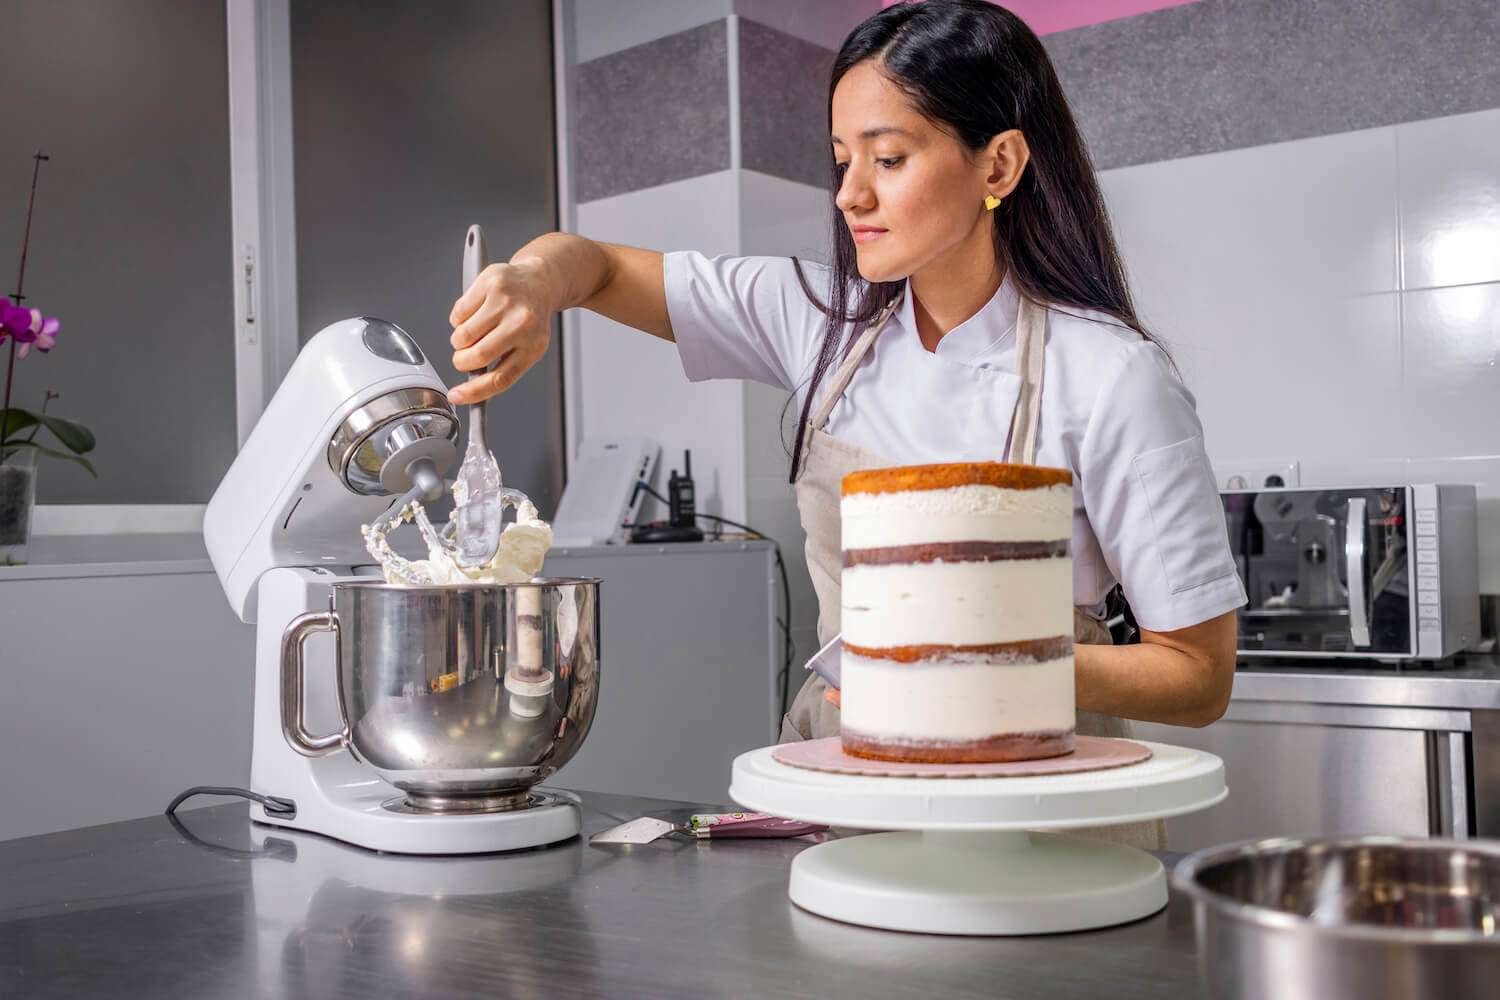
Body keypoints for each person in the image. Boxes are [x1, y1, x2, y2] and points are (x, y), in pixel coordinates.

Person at [447, 0, 1246, 846]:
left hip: (1036, 808)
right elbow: (597, 266)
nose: (849, 193)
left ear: (999, 166)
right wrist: (533, 280)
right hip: (845, 790)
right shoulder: (818, 321)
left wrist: (959, 673)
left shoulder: (1111, 375)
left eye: (889, 158)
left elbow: (1197, 676)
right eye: (840, 159)